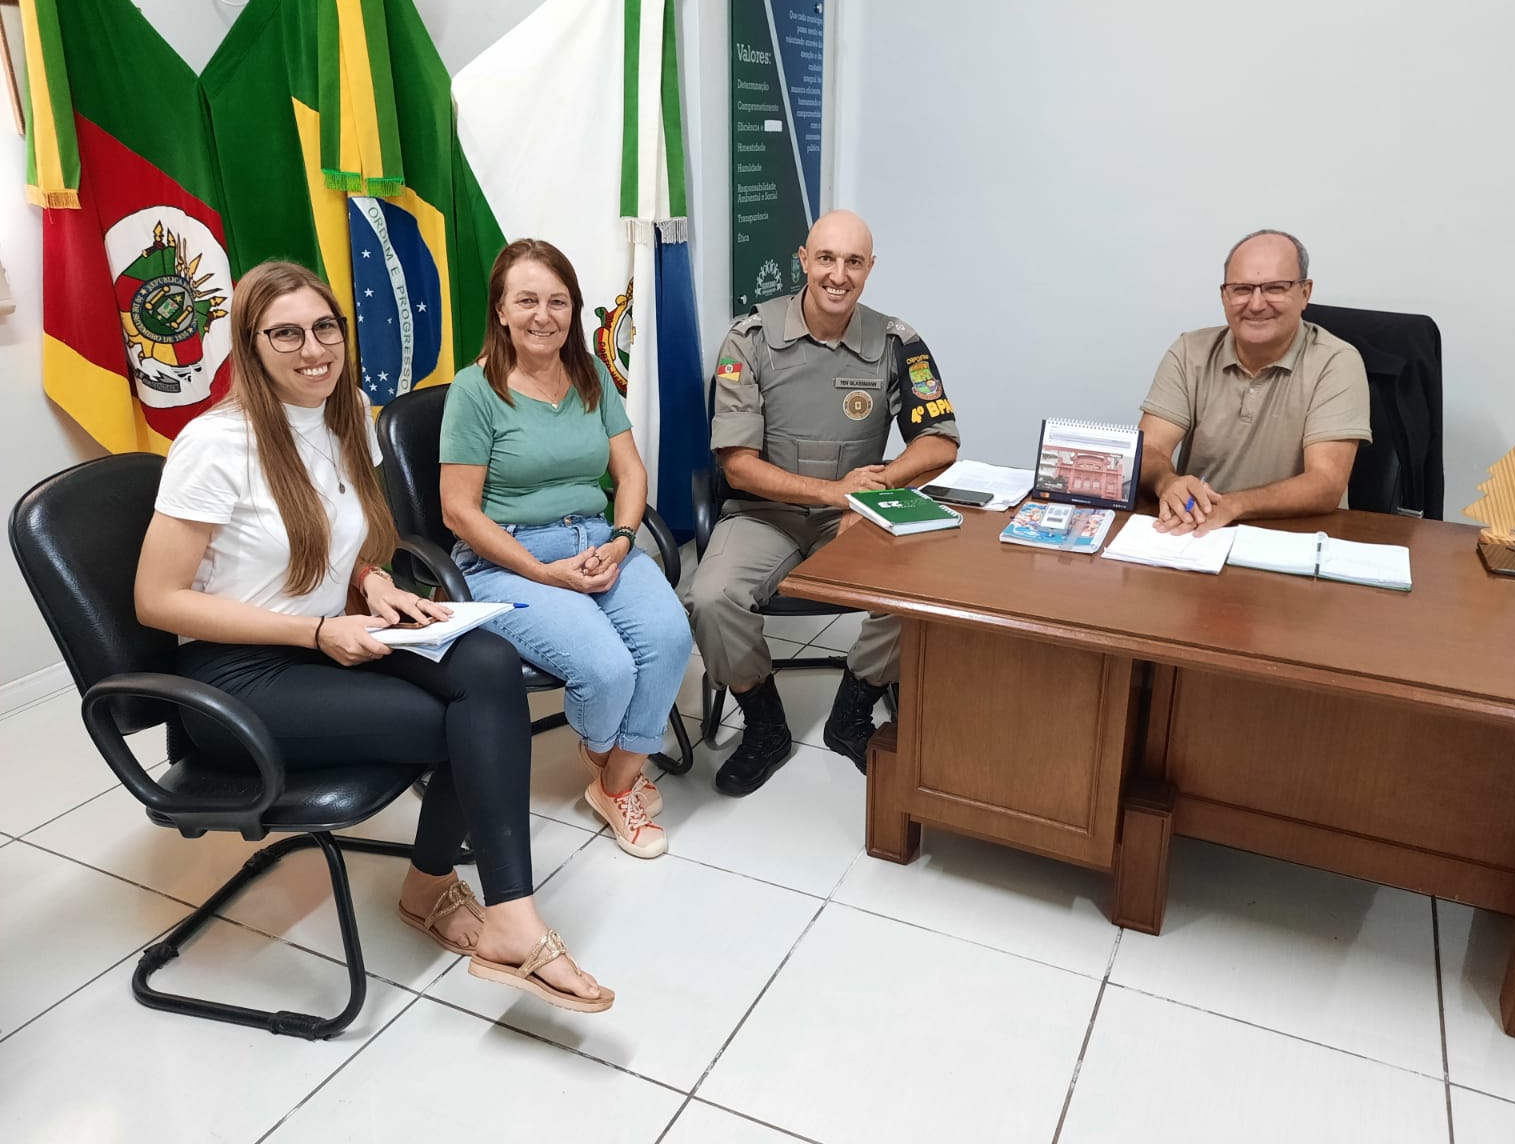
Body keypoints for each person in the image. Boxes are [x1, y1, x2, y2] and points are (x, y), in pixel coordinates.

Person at [134, 260, 611, 1014]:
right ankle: (492, 914)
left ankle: (467, 902)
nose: (312, 348)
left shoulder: (346, 409)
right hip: (236, 681)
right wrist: (317, 630)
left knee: (487, 661)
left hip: (336, 632)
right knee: (467, 723)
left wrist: (374, 581)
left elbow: (339, 539)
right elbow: (157, 601)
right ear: (251, 345)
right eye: (285, 333)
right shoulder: (215, 444)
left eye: (325, 327)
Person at [685, 210, 960, 795]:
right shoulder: (750, 337)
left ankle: (852, 711)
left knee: (915, 594)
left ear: (869, 269)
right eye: (827, 259)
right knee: (710, 597)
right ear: (803, 260)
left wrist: (879, 482)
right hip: (765, 515)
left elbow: (940, 441)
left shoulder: (895, 341)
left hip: (856, 516)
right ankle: (764, 724)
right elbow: (737, 463)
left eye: (853, 262)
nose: (839, 275)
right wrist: (830, 490)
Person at [440, 239, 692, 859]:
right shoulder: (474, 391)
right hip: (510, 558)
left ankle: (614, 783)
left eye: (558, 301)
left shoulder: (592, 374)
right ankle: (613, 757)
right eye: (526, 300)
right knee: (608, 669)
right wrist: (544, 573)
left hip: (598, 539)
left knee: (671, 637)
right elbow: (458, 510)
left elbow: (630, 476)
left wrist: (623, 538)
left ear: (573, 309)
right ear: (500, 310)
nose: (543, 315)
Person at [1137, 229, 1371, 536]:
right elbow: (1148, 448)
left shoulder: (1337, 361)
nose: (1257, 304)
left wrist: (1234, 505)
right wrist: (1167, 482)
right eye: (1242, 289)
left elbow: (1325, 483)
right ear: (1225, 296)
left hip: (1293, 540)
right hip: (1197, 536)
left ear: (1305, 293)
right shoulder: (1189, 351)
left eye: (1275, 288)